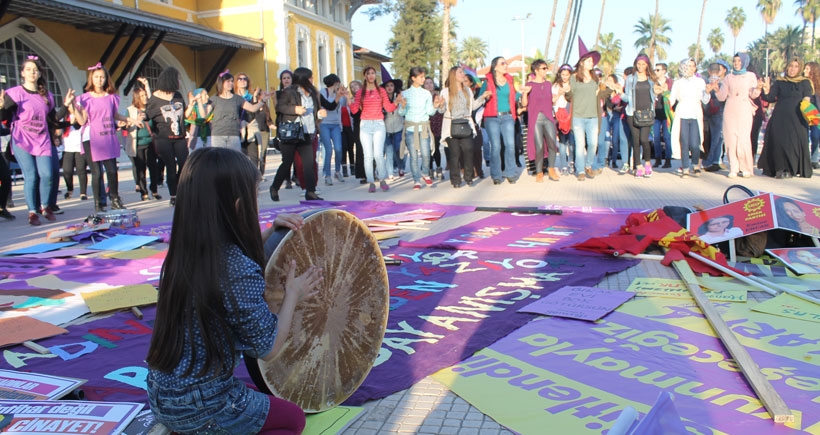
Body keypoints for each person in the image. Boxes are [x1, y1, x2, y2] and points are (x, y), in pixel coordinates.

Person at [145, 147, 323, 434]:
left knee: (262, 395)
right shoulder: (237, 268)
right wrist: (293, 294)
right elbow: (268, 348)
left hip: (162, 395)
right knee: (293, 419)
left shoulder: (183, 251)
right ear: (238, 205)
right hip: (202, 404)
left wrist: (267, 234)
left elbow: (225, 267)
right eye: (255, 195)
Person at [0, 55, 74, 226]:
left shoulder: (46, 95)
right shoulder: (14, 93)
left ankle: (46, 206)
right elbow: (4, 118)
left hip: (42, 139)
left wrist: (66, 105)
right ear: (22, 73)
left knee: (47, 174)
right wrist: (1, 107)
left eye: (35, 70)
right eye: (29, 69)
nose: (32, 72)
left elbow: (53, 120)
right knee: (31, 176)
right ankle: (32, 212)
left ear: (40, 73)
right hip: (22, 139)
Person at [74, 63, 139, 212]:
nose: (99, 80)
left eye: (102, 77)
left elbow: (114, 115)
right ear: (91, 78)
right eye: (96, 77)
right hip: (91, 138)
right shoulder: (84, 98)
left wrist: (130, 119)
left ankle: (115, 199)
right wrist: (72, 106)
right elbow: (82, 120)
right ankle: (99, 203)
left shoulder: (111, 97)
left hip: (108, 135)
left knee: (112, 170)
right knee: (97, 172)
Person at [270, 67, 325, 202]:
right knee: (287, 162)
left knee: (309, 163)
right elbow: (280, 107)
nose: (312, 80)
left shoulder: (312, 93)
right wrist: (295, 109)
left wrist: (320, 114)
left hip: (307, 131)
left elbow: (315, 110)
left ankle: (310, 191)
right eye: (309, 77)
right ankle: (274, 187)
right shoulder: (290, 92)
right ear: (302, 78)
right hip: (292, 132)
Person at [759, 57, 814, 179]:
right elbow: (770, 98)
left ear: (799, 68)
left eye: (796, 67)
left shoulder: (805, 82)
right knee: (779, 142)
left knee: (793, 144)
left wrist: (807, 109)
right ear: (786, 67)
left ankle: (792, 169)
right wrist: (765, 90)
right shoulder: (780, 82)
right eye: (790, 66)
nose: (792, 69)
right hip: (780, 117)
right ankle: (780, 168)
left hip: (797, 118)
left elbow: (807, 98)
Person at [349, 66, 400, 193]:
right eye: (368, 73)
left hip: (378, 124)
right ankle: (371, 182)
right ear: (365, 76)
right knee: (368, 155)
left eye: (373, 73)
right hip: (365, 124)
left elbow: (388, 108)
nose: (371, 75)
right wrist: (348, 99)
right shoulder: (361, 92)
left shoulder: (381, 91)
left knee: (378, 154)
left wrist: (397, 102)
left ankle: (382, 179)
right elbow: (355, 110)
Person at [440, 66, 490, 188]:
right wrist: (440, 105)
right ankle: (455, 180)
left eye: (463, 72)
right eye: (460, 72)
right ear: (454, 75)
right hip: (451, 125)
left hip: (466, 124)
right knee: (455, 153)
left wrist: (482, 98)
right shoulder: (445, 92)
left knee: (468, 150)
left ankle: (469, 177)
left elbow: (472, 107)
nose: (463, 74)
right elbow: (442, 110)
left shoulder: (467, 90)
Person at [145, 66, 187, 206]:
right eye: (178, 78)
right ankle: (174, 195)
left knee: (184, 163)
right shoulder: (155, 97)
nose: (180, 81)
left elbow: (183, 113)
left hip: (180, 137)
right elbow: (147, 116)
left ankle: (179, 185)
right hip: (163, 138)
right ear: (171, 80)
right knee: (170, 165)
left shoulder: (178, 96)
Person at [715, 53, 761, 178]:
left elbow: (753, 94)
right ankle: (733, 167)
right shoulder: (728, 77)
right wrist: (716, 89)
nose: (736, 63)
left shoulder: (750, 76)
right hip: (730, 108)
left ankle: (745, 167)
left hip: (744, 107)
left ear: (744, 62)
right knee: (730, 139)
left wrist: (759, 88)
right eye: (735, 61)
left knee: (743, 138)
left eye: (739, 61)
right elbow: (722, 96)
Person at [398, 66, 444, 190]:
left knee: (426, 154)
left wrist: (435, 105)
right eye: (421, 77)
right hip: (410, 128)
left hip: (423, 127)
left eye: (424, 76)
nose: (423, 79)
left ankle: (425, 173)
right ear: (413, 78)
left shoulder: (426, 94)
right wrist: (402, 106)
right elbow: (401, 113)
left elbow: (430, 112)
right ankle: (416, 180)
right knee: (413, 156)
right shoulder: (405, 93)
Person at [565, 38, 601, 181]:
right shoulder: (574, 78)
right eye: (589, 61)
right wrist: (567, 90)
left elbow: (598, 95)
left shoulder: (595, 78)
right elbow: (569, 96)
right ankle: (580, 171)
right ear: (582, 62)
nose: (592, 63)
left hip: (593, 117)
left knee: (593, 144)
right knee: (580, 145)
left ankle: (588, 165)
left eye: (592, 61)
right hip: (578, 117)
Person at [480, 56, 520, 184]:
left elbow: (514, 96)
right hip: (492, 117)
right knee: (496, 146)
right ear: (495, 67)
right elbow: (480, 98)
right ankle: (496, 175)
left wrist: (523, 92)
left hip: (508, 116)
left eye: (506, 63)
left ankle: (510, 173)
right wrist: (485, 96)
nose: (505, 65)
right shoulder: (487, 81)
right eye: (502, 63)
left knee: (510, 145)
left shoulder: (510, 80)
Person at [669, 58, 710, 177]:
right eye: (689, 66)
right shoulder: (678, 83)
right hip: (682, 113)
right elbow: (672, 99)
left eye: (693, 66)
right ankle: (685, 167)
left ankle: (695, 163)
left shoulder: (700, 81)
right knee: (684, 142)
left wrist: (707, 93)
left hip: (695, 113)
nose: (691, 68)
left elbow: (705, 100)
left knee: (695, 143)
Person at [210, 70, 268, 151]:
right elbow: (204, 115)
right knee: (219, 159)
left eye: (232, 81)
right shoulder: (214, 99)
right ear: (221, 83)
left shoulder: (237, 98)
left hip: (233, 135)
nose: (231, 83)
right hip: (218, 135)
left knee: (234, 160)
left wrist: (262, 101)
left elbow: (252, 108)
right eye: (228, 81)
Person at [521, 59, 559, 182]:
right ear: (536, 70)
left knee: (552, 143)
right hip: (536, 119)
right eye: (543, 68)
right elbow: (524, 104)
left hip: (548, 118)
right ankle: (539, 172)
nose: (546, 70)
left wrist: (559, 95)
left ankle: (551, 168)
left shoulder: (548, 84)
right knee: (539, 146)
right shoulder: (529, 85)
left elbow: (551, 101)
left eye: (546, 68)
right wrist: (525, 94)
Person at [619, 54, 657, 178]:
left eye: (643, 64)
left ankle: (647, 164)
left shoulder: (651, 79)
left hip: (647, 113)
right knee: (635, 140)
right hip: (632, 113)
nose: (640, 67)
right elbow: (627, 97)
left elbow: (654, 95)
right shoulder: (630, 78)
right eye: (638, 64)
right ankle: (638, 166)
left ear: (647, 65)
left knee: (644, 139)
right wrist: (619, 93)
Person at [126, 78, 162, 201]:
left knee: (153, 167)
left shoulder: (150, 108)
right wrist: (134, 122)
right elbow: (123, 122)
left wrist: (147, 84)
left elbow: (153, 100)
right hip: (137, 143)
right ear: (137, 97)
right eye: (141, 96)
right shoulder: (131, 110)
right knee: (140, 169)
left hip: (150, 142)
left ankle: (154, 190)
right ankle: (144, 192)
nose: (145, 97)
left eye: (145, 95)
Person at [319, 74, 348, 186]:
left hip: (336, 124)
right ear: (336, 83)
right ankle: (327, 175)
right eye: (339, 83)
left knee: (339, 149)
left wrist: (344, 95)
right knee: (328, 150)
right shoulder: (322, 92)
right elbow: (328, 105)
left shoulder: (339, 94)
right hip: (324, 124)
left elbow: (345, 105)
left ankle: (337, 171)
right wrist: (337, 96)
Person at [703, 60, 729, 172]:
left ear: (709, 71)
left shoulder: (704, 81)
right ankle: (712, 161)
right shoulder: (722, 83)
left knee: (711, 139)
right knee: (717, 138)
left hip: (707, 113)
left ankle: (714, 161)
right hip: (719, 112)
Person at [552, 64, 574, 174]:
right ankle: (563, 165)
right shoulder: (555, 86)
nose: (565, 77)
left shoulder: (573, 85)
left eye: (567, 75)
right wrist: (560, 93)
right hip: (560, 114)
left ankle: (571, 162)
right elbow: (552, 101)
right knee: (562, 142)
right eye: (563, 74)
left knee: (571, 141)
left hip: (571, 113)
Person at [652, 63, 673, 169]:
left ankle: (668, 160)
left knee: (667, 137)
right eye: (655, 70)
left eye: (658, 70)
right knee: (655, 137)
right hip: (656, 114)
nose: (656, 72)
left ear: (664, 71)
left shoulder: (670, 83)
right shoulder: (653, 83)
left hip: (666, 113)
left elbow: (673, 97)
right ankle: (657, 158)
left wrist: (665, 91)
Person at [382, 79, 405, 180]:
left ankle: (400, 166)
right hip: (386, 128)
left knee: (398, 149)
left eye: (391, 85)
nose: (390, 88)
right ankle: (390, 173)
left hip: (398, 127)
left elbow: (402, 111)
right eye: (387, 86)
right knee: (389, 151)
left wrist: (400, 103)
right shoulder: (382, 99)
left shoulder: (399, 97)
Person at [804, 61, 820, 169]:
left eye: (807, 69)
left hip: (816, 114)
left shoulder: (817, 86)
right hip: (806, 113)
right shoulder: (803, 83)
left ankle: (814, 159)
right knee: (811, 136)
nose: (804, 70)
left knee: (815, 136)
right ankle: (811, 159)